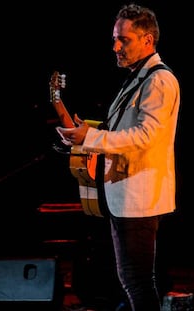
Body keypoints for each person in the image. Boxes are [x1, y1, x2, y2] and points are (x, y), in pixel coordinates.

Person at [56, 3, 180, 311]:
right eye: (115, 38)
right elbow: (120, 131)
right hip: (125, 196)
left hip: (140, 198)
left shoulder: (159, 81)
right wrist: (82, 137)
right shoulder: (138, 78)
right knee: (132, 281)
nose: (116, 46)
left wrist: (92, 138)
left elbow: (146, 136)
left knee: (138, 281)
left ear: (148, 40)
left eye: (124, 39)